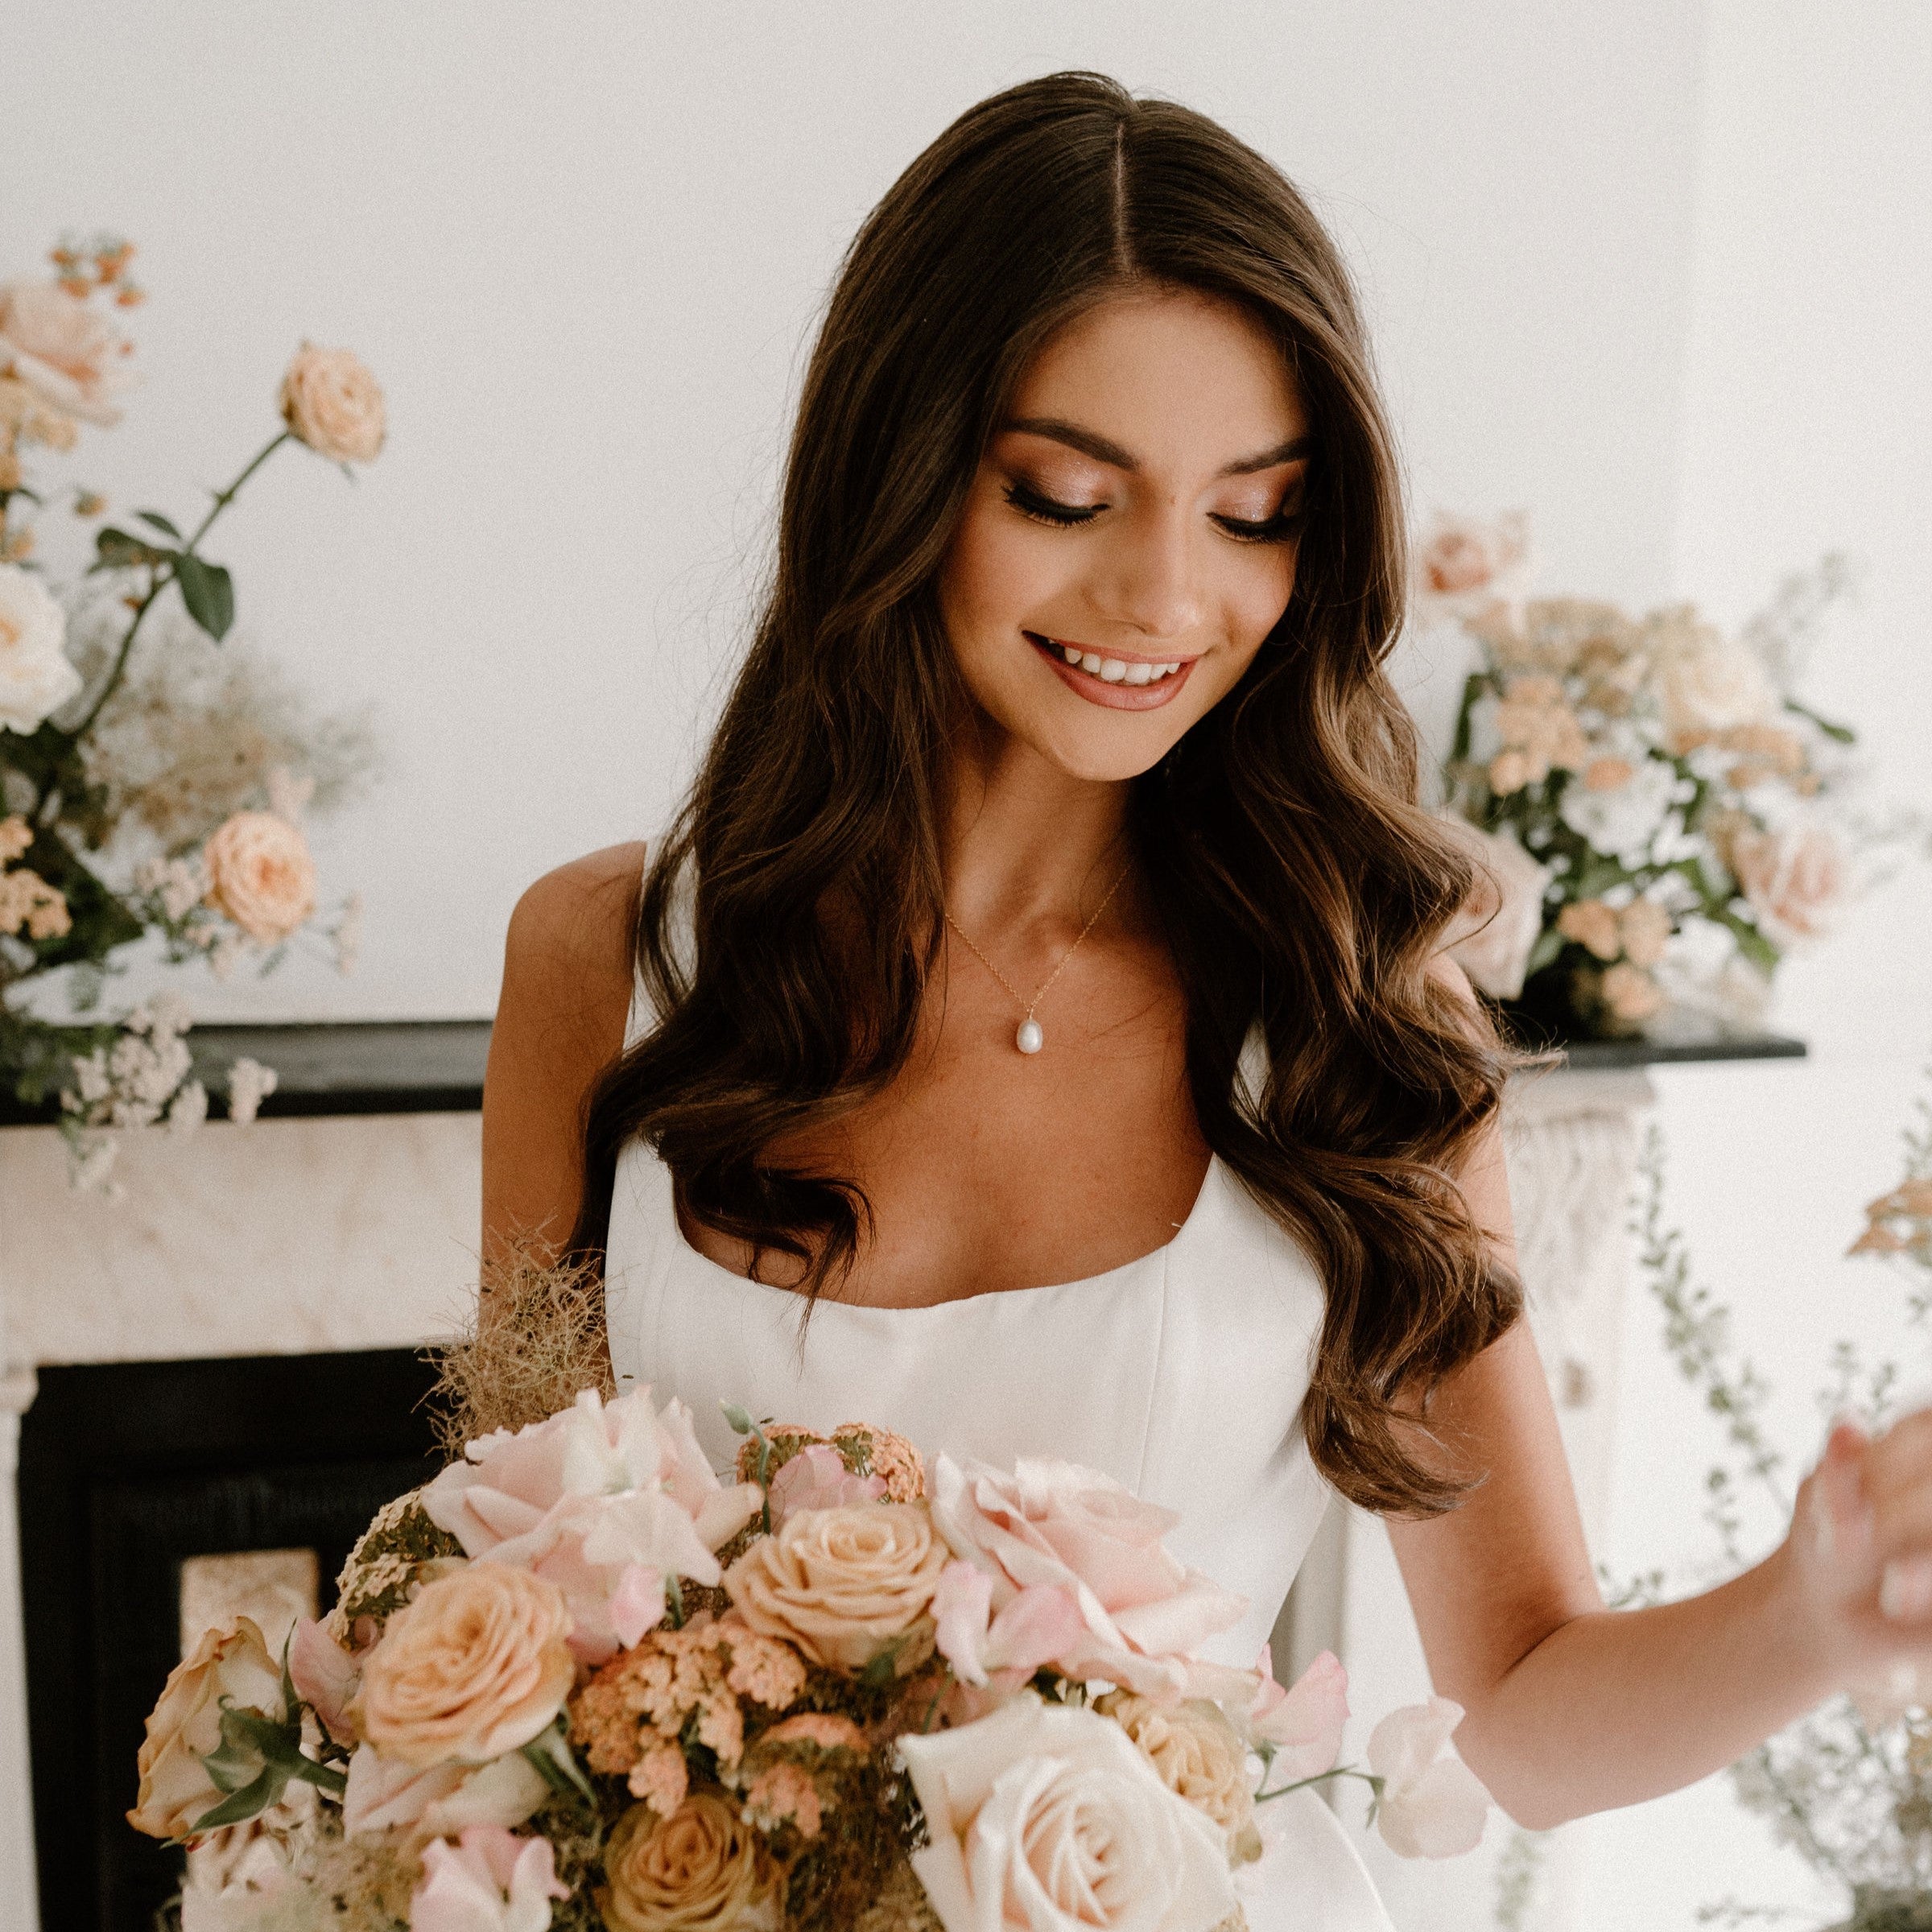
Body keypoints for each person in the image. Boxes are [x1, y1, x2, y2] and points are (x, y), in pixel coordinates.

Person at [483, 71, 1932, 1928]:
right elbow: (500, 1621)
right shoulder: (602, 964)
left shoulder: (1352, 1027)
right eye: (1068, 495)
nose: (1168, 592)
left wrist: (1807, 1614)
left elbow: (1521, 1704)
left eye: (1254, 515)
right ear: (900, 472)